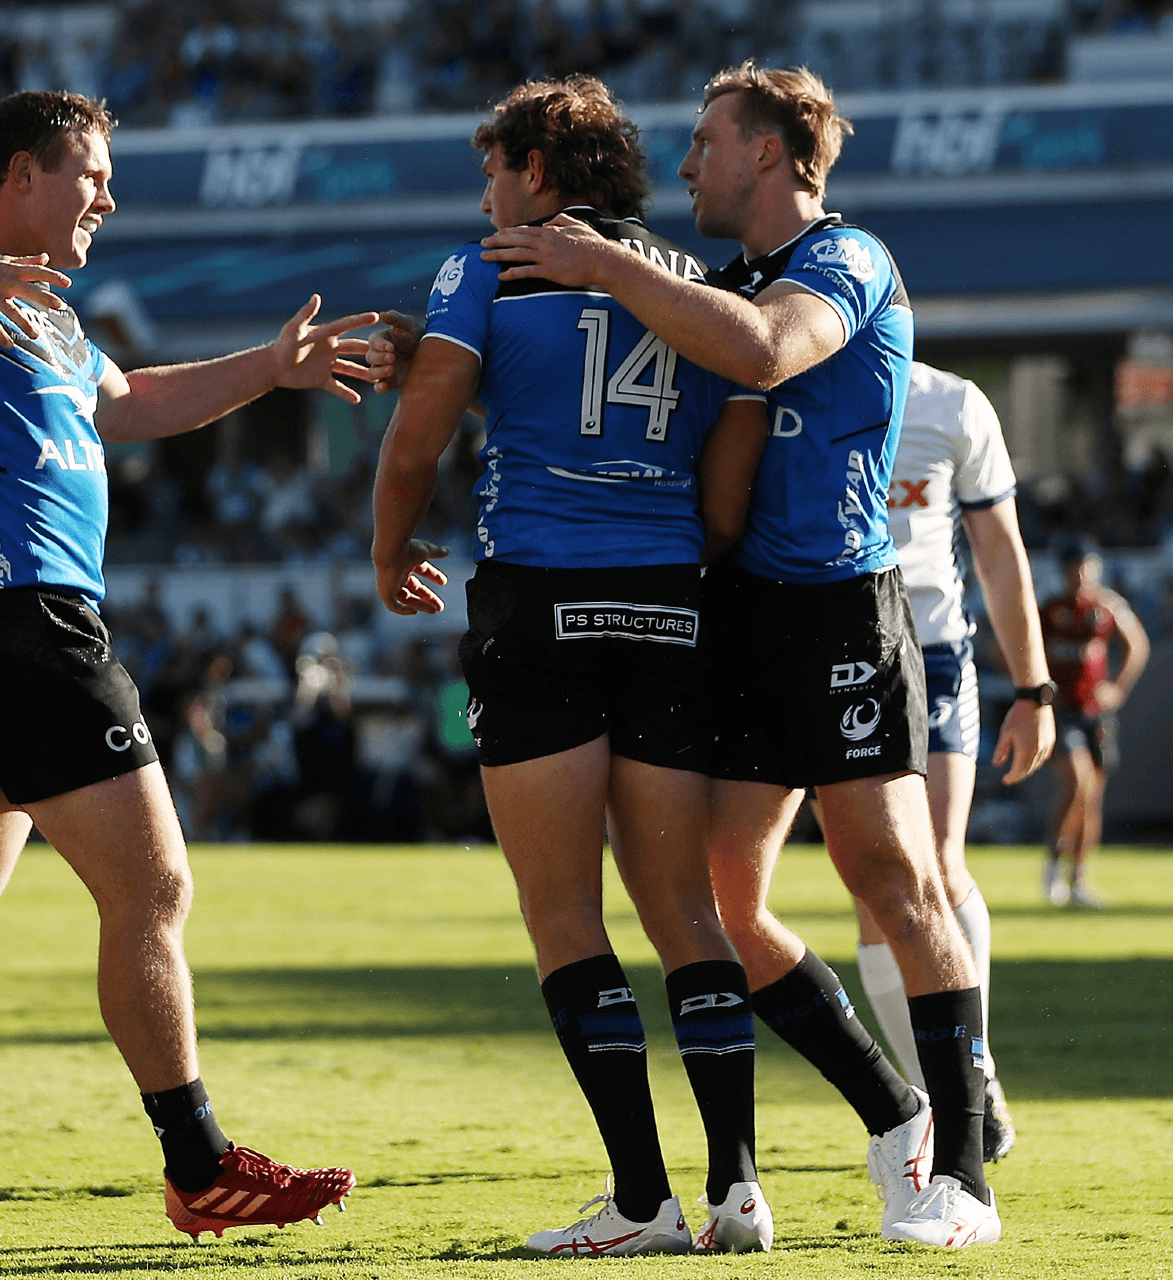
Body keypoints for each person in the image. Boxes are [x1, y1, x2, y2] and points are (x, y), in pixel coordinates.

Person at [0, 89, 368, 1247]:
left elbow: (132, 401)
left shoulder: (53, 314)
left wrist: (269, 366)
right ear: (22, 176)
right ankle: (200, 1163)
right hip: (26, 629)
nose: (108, 195)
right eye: (91, 173)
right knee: (154, 889)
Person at [475, 62, 999, 1246]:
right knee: (721, 903)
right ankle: (894, 1108)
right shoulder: (716, 279)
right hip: (731, 614)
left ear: (767, 152)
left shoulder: (847, 263)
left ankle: (963, 1172)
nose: (691, 161)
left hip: (838, 608)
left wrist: (598, 258)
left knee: (894, 878)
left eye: (710, 140)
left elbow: (765, 353)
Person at [368, 76, 772, 1256]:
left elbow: (415, 442)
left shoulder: (486, 270)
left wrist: (392, 550)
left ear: (540, 171)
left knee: (564, 915)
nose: (487, 195)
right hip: (666, 604)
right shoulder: (704, 289)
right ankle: (738, 1188)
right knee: (688, 912)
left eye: (496, 171)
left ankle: (641, 1197)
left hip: (539, 604)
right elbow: (729, 495)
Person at [845, 362, 1055, 1164]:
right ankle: (934, 1096)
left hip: (931, 652)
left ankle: (975, 1075)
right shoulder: (787, 383)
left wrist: (1033, 687)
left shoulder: (952, 402)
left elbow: (1000, 553)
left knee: (932, 861)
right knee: (875, 885)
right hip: (830, 648)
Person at [1039, 542, 1149, 907]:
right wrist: (1034, 692)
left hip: (1094, 714)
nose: (1082, 576)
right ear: (1065, 570)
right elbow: (1008, 649)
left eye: (1088, 568)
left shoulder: (1107, 607)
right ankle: (1053, 864)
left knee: (1092, 798)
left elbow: (1137, 645)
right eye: (1075, 568)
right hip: (1061, 711)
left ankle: (1078, 879)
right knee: (1076, 782)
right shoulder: (1050, 609)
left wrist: (1116, 689)